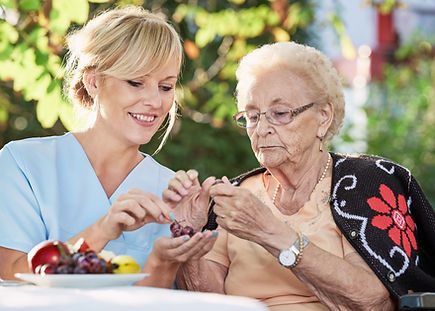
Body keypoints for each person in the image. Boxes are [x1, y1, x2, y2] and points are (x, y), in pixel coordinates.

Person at [163, 42, 435, 309]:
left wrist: (273, 234)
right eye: (253, 116)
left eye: (280, 114)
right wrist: (188, 233)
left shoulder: (365, 182)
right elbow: (208, 299)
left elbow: (373, 302)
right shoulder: (237, 196)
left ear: (323, 117)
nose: (262, 129)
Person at [0, 6, 216, 287]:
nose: (155, 101)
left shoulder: (173, 192)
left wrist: (188, 232)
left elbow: (161, 300)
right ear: (93, 82)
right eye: (136, 82)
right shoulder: (22, 163)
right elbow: (10, 271)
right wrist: (102, 230)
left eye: (166, 87)